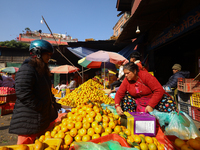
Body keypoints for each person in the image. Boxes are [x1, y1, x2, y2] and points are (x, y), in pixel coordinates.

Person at [9, 39, 61, 144]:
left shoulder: (41, 69)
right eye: (47, 54)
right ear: (38, 53)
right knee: (25, 146)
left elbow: (46, 92)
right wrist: (41, 106)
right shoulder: (27, 69)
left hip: (39, 119)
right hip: (27, 121)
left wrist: (53, 103)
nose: (49, 57)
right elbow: (23, 93)